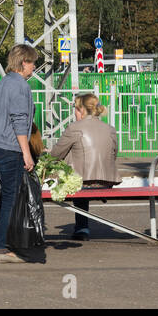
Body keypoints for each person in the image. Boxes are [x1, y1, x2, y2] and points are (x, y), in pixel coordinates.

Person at [0, 43, 38, 264]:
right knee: (11, 198)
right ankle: (4, 247)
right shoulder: (20, 85)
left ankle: (6, 240)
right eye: (33, 62)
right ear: (23, 62)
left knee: (10, 194)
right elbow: (19, 120)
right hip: (9, 147)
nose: (34, 67)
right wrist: (26, 153)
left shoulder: (3, 83)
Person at [50, 93, 119, 241]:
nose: (74, 112)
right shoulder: (110, 129)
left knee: (75, 171)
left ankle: (82, 228)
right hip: (106, 183)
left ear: (81, 110)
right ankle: (82, 227)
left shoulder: (74, 128)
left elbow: (55, 155)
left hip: (82, 184)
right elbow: (114, 154)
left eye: (75, 108)